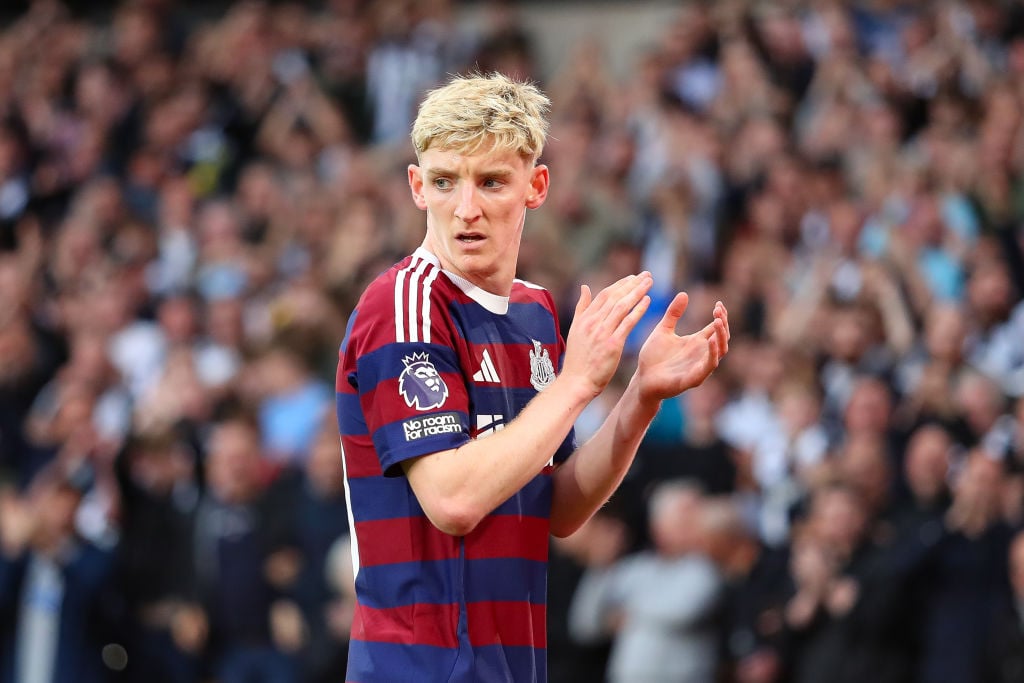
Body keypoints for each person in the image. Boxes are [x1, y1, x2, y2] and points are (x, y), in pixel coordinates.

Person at [336, 71, 730, 682]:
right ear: (417, 186)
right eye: (445, 182)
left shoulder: (535, 312)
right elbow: (454, 499)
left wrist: (639, 398)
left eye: (491, 181)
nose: (467, 208)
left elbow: (559, 506)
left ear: (536, 185)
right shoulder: (404, 306)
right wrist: (577, 384)